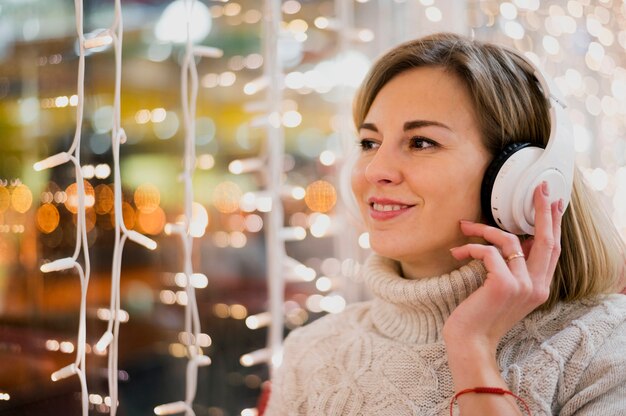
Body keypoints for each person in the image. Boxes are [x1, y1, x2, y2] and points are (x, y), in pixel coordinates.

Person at [264, 32, 626, 415]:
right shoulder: (312, 351)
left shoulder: (603, 345)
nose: (376, 170)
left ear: (523, 177)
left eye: (421, 142)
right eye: (369, 143)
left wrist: (472, 349)